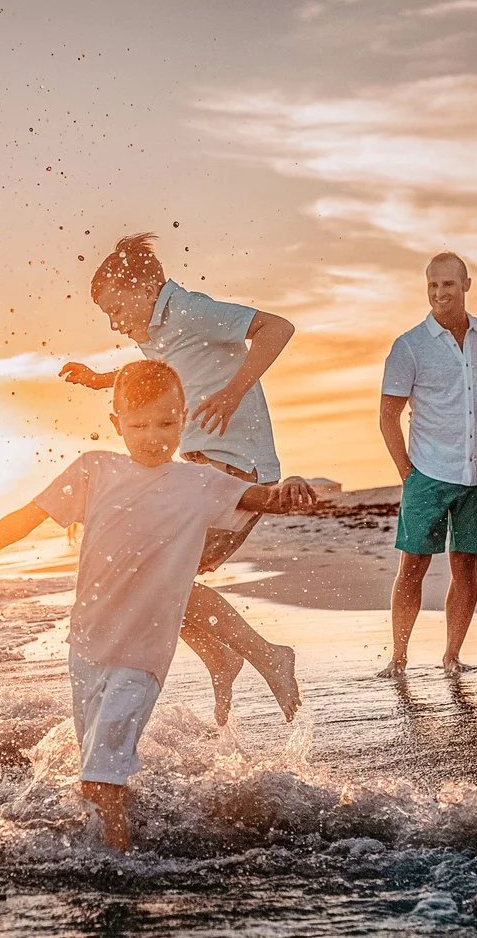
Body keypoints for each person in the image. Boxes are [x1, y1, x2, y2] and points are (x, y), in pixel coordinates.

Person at [0, 360, 315, 851]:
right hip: (86, 647)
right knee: (94, 777)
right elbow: (23, 519)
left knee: (100, 779)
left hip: (143, 656)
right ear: (117, 423)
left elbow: (268, 498)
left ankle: (121, 872)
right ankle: (118, 849)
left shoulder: (200, 483)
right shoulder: (95, 470)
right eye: (140, 424)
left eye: (167, 423)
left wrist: (292, 484)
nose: (154, 437)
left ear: (184, 416)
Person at [59, 233, 298, 724]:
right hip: (205, 467)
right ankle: (222, 657)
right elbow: (161, 367)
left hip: (233, 469)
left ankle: (267, 655)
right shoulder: (158, 331)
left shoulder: (191, 309)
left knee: (155, 578)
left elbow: (278, 327)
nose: (113, 322)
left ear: (145, 288)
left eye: (114, 307)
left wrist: (233, 393)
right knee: (158, 578)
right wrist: (101, 379)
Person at [378, 251, 477, 673]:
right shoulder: (409, 346)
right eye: (432, 285)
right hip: (427, 474)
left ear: (466, 285)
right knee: (413, 566)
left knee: (467, 565)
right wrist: (407, 474)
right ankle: (399, 657)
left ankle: (452, 656)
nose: (439, 293)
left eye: (448, 284)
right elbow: (387, 416)